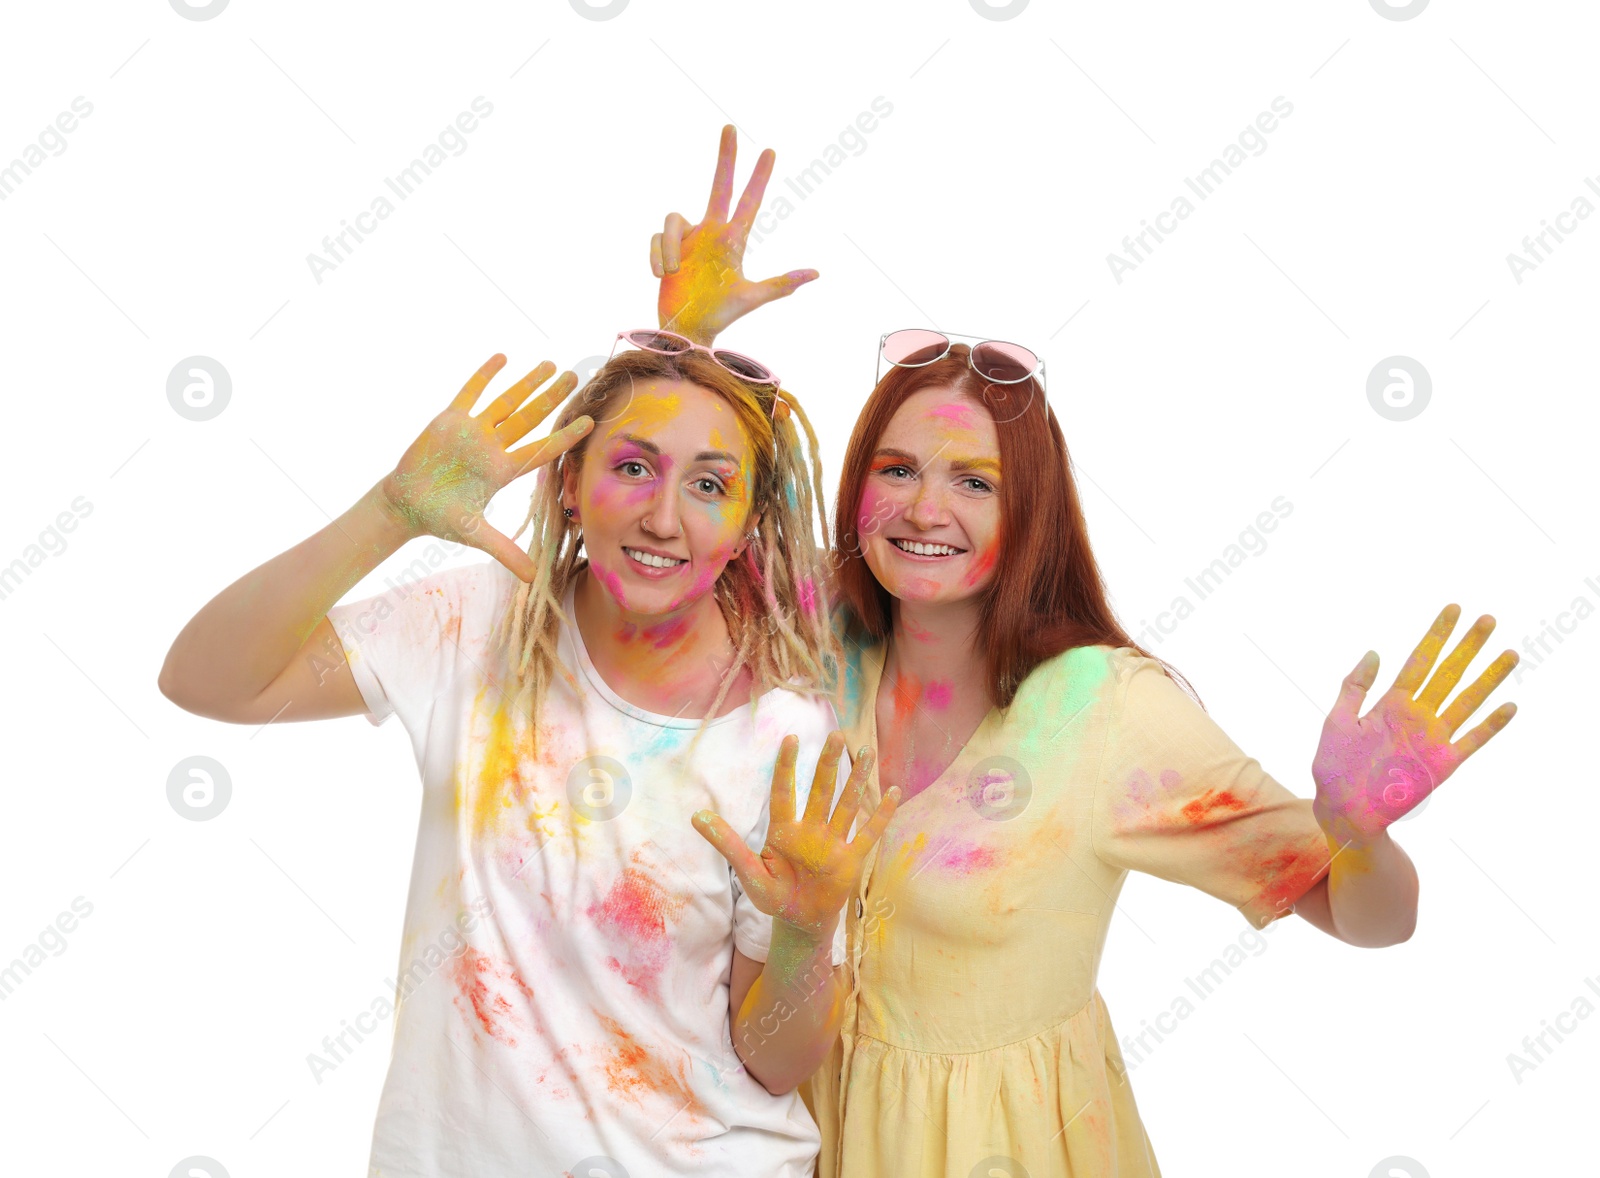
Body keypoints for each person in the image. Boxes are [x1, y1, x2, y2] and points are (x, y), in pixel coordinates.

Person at [649, 125, 1521, 1176]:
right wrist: (685, 348)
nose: (927, 506)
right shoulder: (812, 640)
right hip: (798, 1141)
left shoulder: (1108, 711)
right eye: (897, 469)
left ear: (1033, 514)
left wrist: (1356, 830)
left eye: (975, 480)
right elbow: (644, 542)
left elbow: (1370, 920)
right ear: (858, 489)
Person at [157, 331, 898, 1176]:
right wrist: (390, 512)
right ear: (568, 485)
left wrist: (807, 932)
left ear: (747, 526)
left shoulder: (785, 734)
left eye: (708, 486)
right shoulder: (473, 624)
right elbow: (205, 680)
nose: (663, 516)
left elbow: (773, 1061)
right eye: (631, 467)